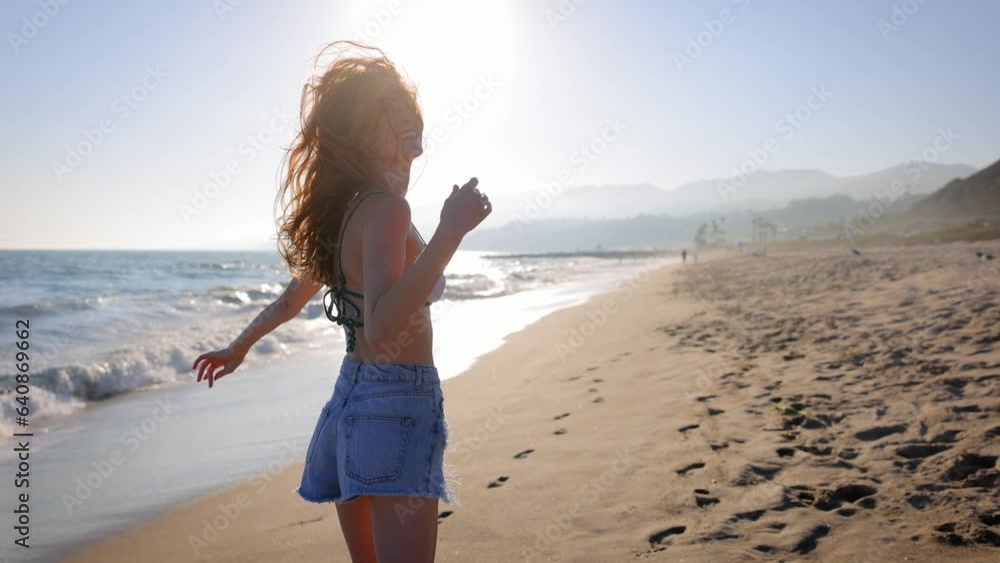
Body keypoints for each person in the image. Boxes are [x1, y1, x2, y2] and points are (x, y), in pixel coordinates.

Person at [191, 41, 491, 563]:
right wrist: (450, 231)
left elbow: (290, 302)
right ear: (358, 133)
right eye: (398, 130)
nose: (411, 146)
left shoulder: (345, 214)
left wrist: (238, 347)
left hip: (349, 403)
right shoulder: (387, 211)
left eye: (415, 134)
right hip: (397, 402)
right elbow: (381, 323)